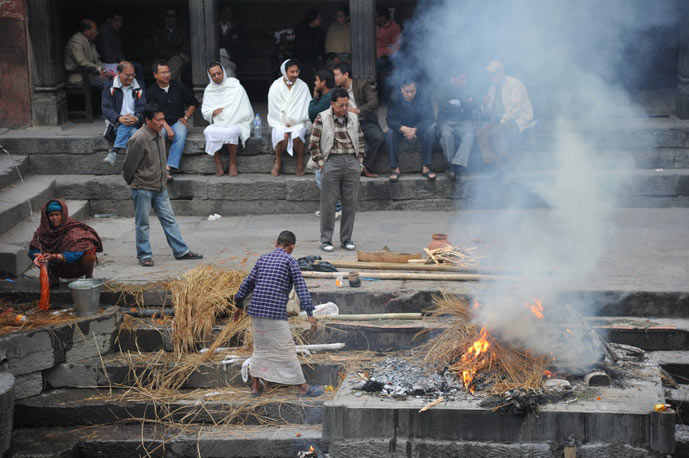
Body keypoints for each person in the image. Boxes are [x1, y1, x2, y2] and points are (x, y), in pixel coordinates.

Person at [233, 230, 323, 397]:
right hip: (274, 312)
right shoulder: (290, 261)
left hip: (256, 311)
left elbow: (247, 283)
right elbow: (301, 288)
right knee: (286, 350)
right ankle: (303, 387)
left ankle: (255, 386)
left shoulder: (263, 259)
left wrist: (238, 304)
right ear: (291, 247)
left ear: (276, 243)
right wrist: (310, 313)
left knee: (260, 350)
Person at [122, 103, 203, 266]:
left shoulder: (159, 133)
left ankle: (181, 251)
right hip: (142, 187)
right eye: (158, 120)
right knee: (143, 223)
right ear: (148, 120)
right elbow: (128, 167)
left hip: (160, 185)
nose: (162, 123)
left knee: (169, 219)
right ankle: (144, 255)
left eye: (163, 119)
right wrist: (136, 183)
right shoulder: (138, 138)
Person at [308, 88, 366, 252]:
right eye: (341, 105)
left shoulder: (353, 118)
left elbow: (360, 140)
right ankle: (326, 240)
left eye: (346, 105)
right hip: (331, 161)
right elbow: (313, 143)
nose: (344, 109)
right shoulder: (322, 117)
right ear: (333, 104)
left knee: (350, 203)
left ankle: (346, 239)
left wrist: (359, 162)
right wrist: (321, 163)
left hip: (351, 161)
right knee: (328, 204)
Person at [29, 200, 103, 288]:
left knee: (90, 251)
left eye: (57, 215)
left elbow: (80, 249)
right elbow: (33, 249)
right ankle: (53, 278)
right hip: (55, 267)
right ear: (46, 217)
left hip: (76, 266)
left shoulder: (74, 229)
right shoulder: (42, 232)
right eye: (51, 215)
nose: (54, 218)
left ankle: (88, 278)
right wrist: (38, 257)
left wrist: (55, 256)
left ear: (63, 215)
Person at [477, 60, 534, 168]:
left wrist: (501, 121)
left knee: (498, 132)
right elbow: (488, 111)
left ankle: (505, 164)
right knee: (481, 132)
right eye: (489, 74)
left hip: (518, 118)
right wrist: (484, 105)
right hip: (499, 119)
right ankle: (492, 161)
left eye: (493, 73)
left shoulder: (514, 84)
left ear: (500, 72)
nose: (491, 77)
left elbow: (515, 109)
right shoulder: (492, 87)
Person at [146, 61, 199, 177]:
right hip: (160, 123)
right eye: (163, 72)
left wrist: (186, 117)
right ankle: (157, 167)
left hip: (177, 121)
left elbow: (193, 103)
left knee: (181, 133)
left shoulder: (177, 86)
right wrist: (167, 127)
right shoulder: (151, 91)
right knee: (160, 134)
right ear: (155, 75)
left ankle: (168, 167)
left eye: (168, 72)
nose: (167, 75)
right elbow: (154, 112)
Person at [201, 62, 254, 177]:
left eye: (218, 73)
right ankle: (218, 164)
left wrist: (232, 116)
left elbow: (244, 108)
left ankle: (233, 163)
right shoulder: (209, 90)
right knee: (208, 131)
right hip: (219, 122)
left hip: (236, 121)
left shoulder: (235, 86)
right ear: (210, 76)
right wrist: (212, 112)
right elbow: (205, 111)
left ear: (223, 72)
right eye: (213, 75)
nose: (216, 77)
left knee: (232, 131)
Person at [333, 63, 382, 177]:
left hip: (364, 120)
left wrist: (357, 110)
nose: (335, 78)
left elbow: (374, 102)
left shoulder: (362, 84)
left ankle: (366, 168)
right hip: (345, 124)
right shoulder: (337, 90)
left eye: (337, 75)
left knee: (378, 137)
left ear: (345, 75)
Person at [386, 78, 437, 182]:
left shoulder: (423, 98)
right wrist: (402, 128)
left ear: (416, 89)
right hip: (401, 129)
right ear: (401, 90)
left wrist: (415, 129)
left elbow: (430, 118)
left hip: (418, 128)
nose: (409, 94)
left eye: (412, 91)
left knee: (430, 131)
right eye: (407, 92)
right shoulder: (394, 98)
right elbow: (390, 120)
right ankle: (395, 168)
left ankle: (426, 167)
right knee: (390, 134)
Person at [267, 60, 312, 176]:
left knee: (297, 135)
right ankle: (278, 160)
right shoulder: (276, 86)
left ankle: (300, 161)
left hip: (298, 121)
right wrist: (285, 122)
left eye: (297, 71)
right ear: (285, 72)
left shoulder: (303, 86)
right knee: (282, 135)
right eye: (292, 72)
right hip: (280, 121)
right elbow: (274, 108)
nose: (295, 74)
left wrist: (293, 121)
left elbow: (306, 106)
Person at [308, 69, 341, 219]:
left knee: (323, 177)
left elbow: (312, 112)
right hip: (324, 139)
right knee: (321, 176)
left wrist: (314, 96)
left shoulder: (329, 98)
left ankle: (337, 207)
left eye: (317, 81)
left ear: (323, 82)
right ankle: (330, 207)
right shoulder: (328, 96)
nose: (315, 83)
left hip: (329, 141)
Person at [102, 61, 145, 165]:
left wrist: (137, 117)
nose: (130, 78)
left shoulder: (139, 86)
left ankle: (114, 151)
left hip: (135, 121)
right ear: (119, 73)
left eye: (132, 75)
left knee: (130, 128)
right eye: (127, 75)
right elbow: (106, 108)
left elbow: (142, 106)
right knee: (135, 135)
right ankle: (134, 165)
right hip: (117, 123)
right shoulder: (110, 87)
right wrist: (118, 118)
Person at [436, 73, 478, 180]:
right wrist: (463, 104)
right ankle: (451, 167)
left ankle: (455, 165)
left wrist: (459, 104)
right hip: (447, 121)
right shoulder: (444, 89)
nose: (464, 81)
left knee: (469, 135)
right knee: (446, 136)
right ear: (453, 79)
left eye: (465, 79)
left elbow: (473, 105)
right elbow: (443, 105)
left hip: (464, 121)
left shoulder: (468, 89)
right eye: (461, 79)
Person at [64, 19, 113, 88]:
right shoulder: (76, 41)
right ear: (87, 31)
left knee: (116, 75)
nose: (97, 32)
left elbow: (97, 59)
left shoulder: (90, 41)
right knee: (110, 82)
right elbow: (82, 62)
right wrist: (100, 70)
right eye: (95, 30)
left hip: (92, 74)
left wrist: (104, 70)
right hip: (79, 77)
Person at [294, 9, 325, 91]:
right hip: (304, 61)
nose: (320, 20)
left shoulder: (320, 31)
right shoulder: (301, 30)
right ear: (313, 19)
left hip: (315, 61)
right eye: (318, 18)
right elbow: (298, 47)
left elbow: (321, 47)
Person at [154, 9, 189, 81]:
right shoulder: (159, 33)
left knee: (177, 61)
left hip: (179, 59)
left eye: (172, 16)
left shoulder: (182, 33)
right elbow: (158, 49)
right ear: (165, 19)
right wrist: (175, 54)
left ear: (176, 19)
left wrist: (179, 55)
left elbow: (185, 49)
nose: (170, 19)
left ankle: (165, 82)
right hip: (163, 59)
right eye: (168, 16)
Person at [217, 6, 245, 76]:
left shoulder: (236, 27)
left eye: (228, 12)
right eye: (225, 12)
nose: (226, 14)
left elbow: (239, 45)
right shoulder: (214, 26)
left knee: (229, 73)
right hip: (216, 57)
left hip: (230, 58)